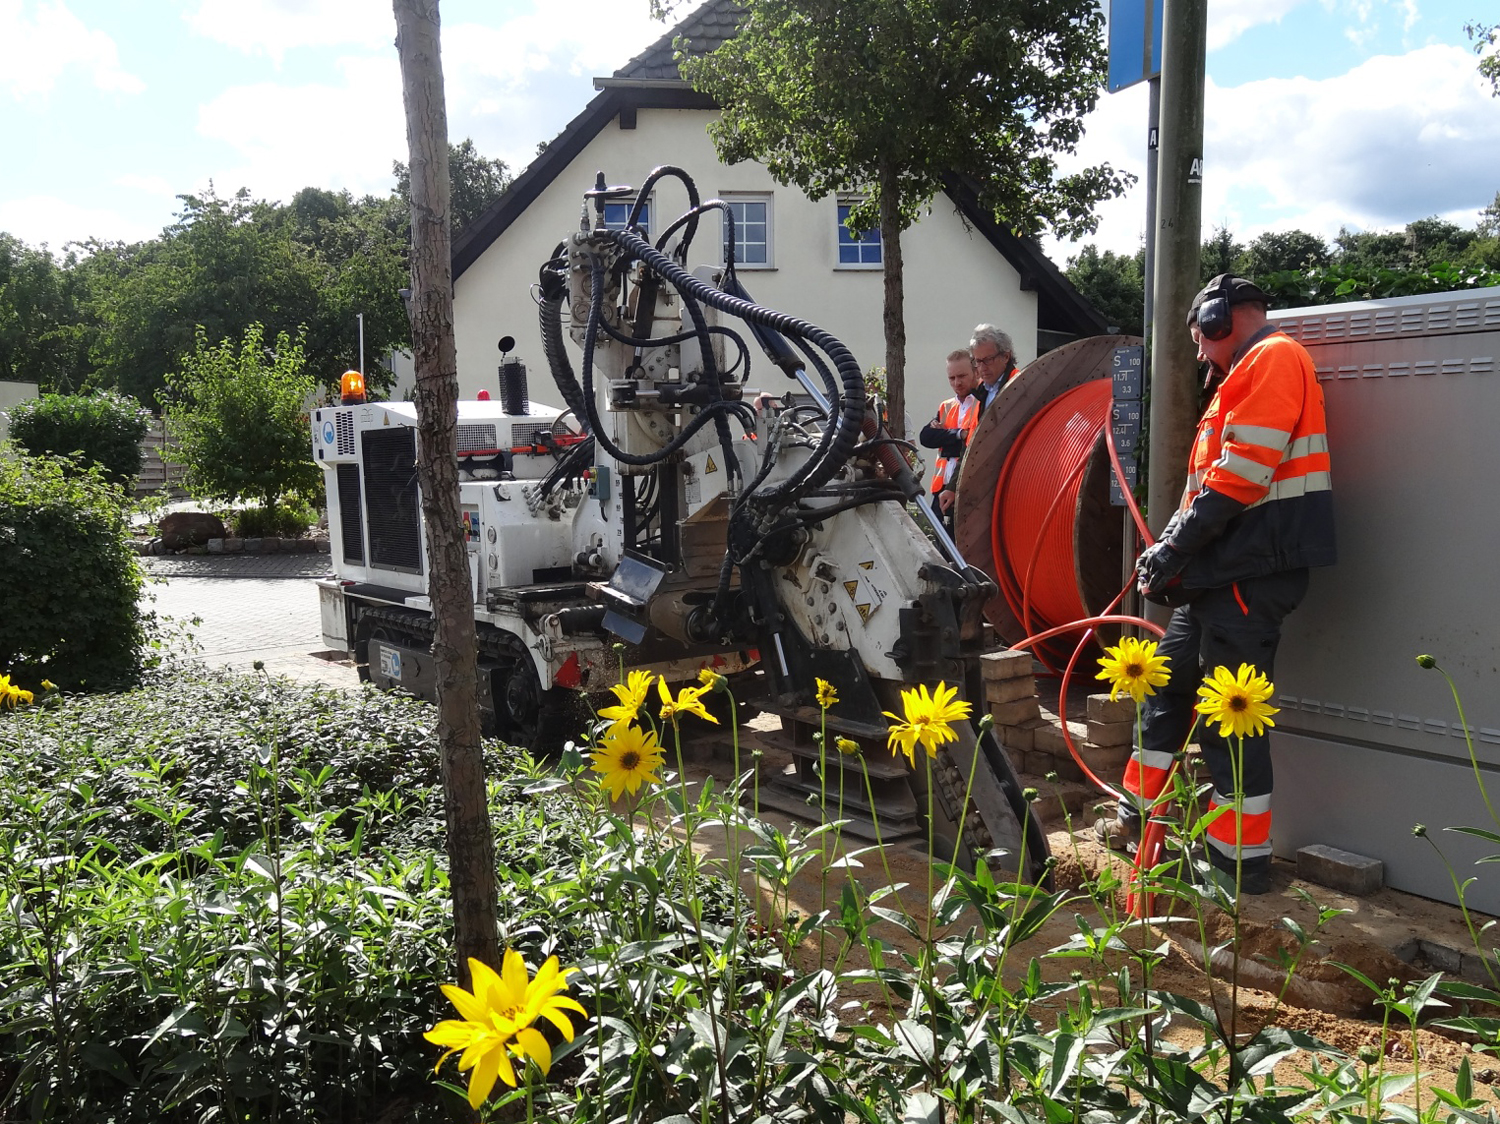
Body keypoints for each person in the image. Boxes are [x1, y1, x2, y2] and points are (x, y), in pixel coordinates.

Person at [1099, 274, 1335, 895]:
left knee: (1230, 717)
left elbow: (1242, 474)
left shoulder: (1273, 358)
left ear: (1218, 319)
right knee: (1169, 691)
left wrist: (1173, 547)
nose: (1200, 353)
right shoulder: (1240, 375)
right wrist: (1172, 553)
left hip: (1249, 573)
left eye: (1201, 340)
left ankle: (1235, 865)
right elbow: (1209, 485)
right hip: (1219, 574)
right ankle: (1139, 819)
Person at [918, 350, 980, 529]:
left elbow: (975, 443)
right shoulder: (946, 406)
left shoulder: (982, 402)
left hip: (966, 486)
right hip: (940, 486)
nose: (957, 383)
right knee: (940, 542)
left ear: (975, 372)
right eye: (951, 378)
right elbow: (926, 437)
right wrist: (959, 434)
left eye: (961, 376)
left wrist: (944, 437)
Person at [968, 324, 1016, 411]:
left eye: (988, 360)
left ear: (1006, 357)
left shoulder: (1019, 385)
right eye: (978, 361)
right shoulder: (980, 391)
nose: (982, 368)